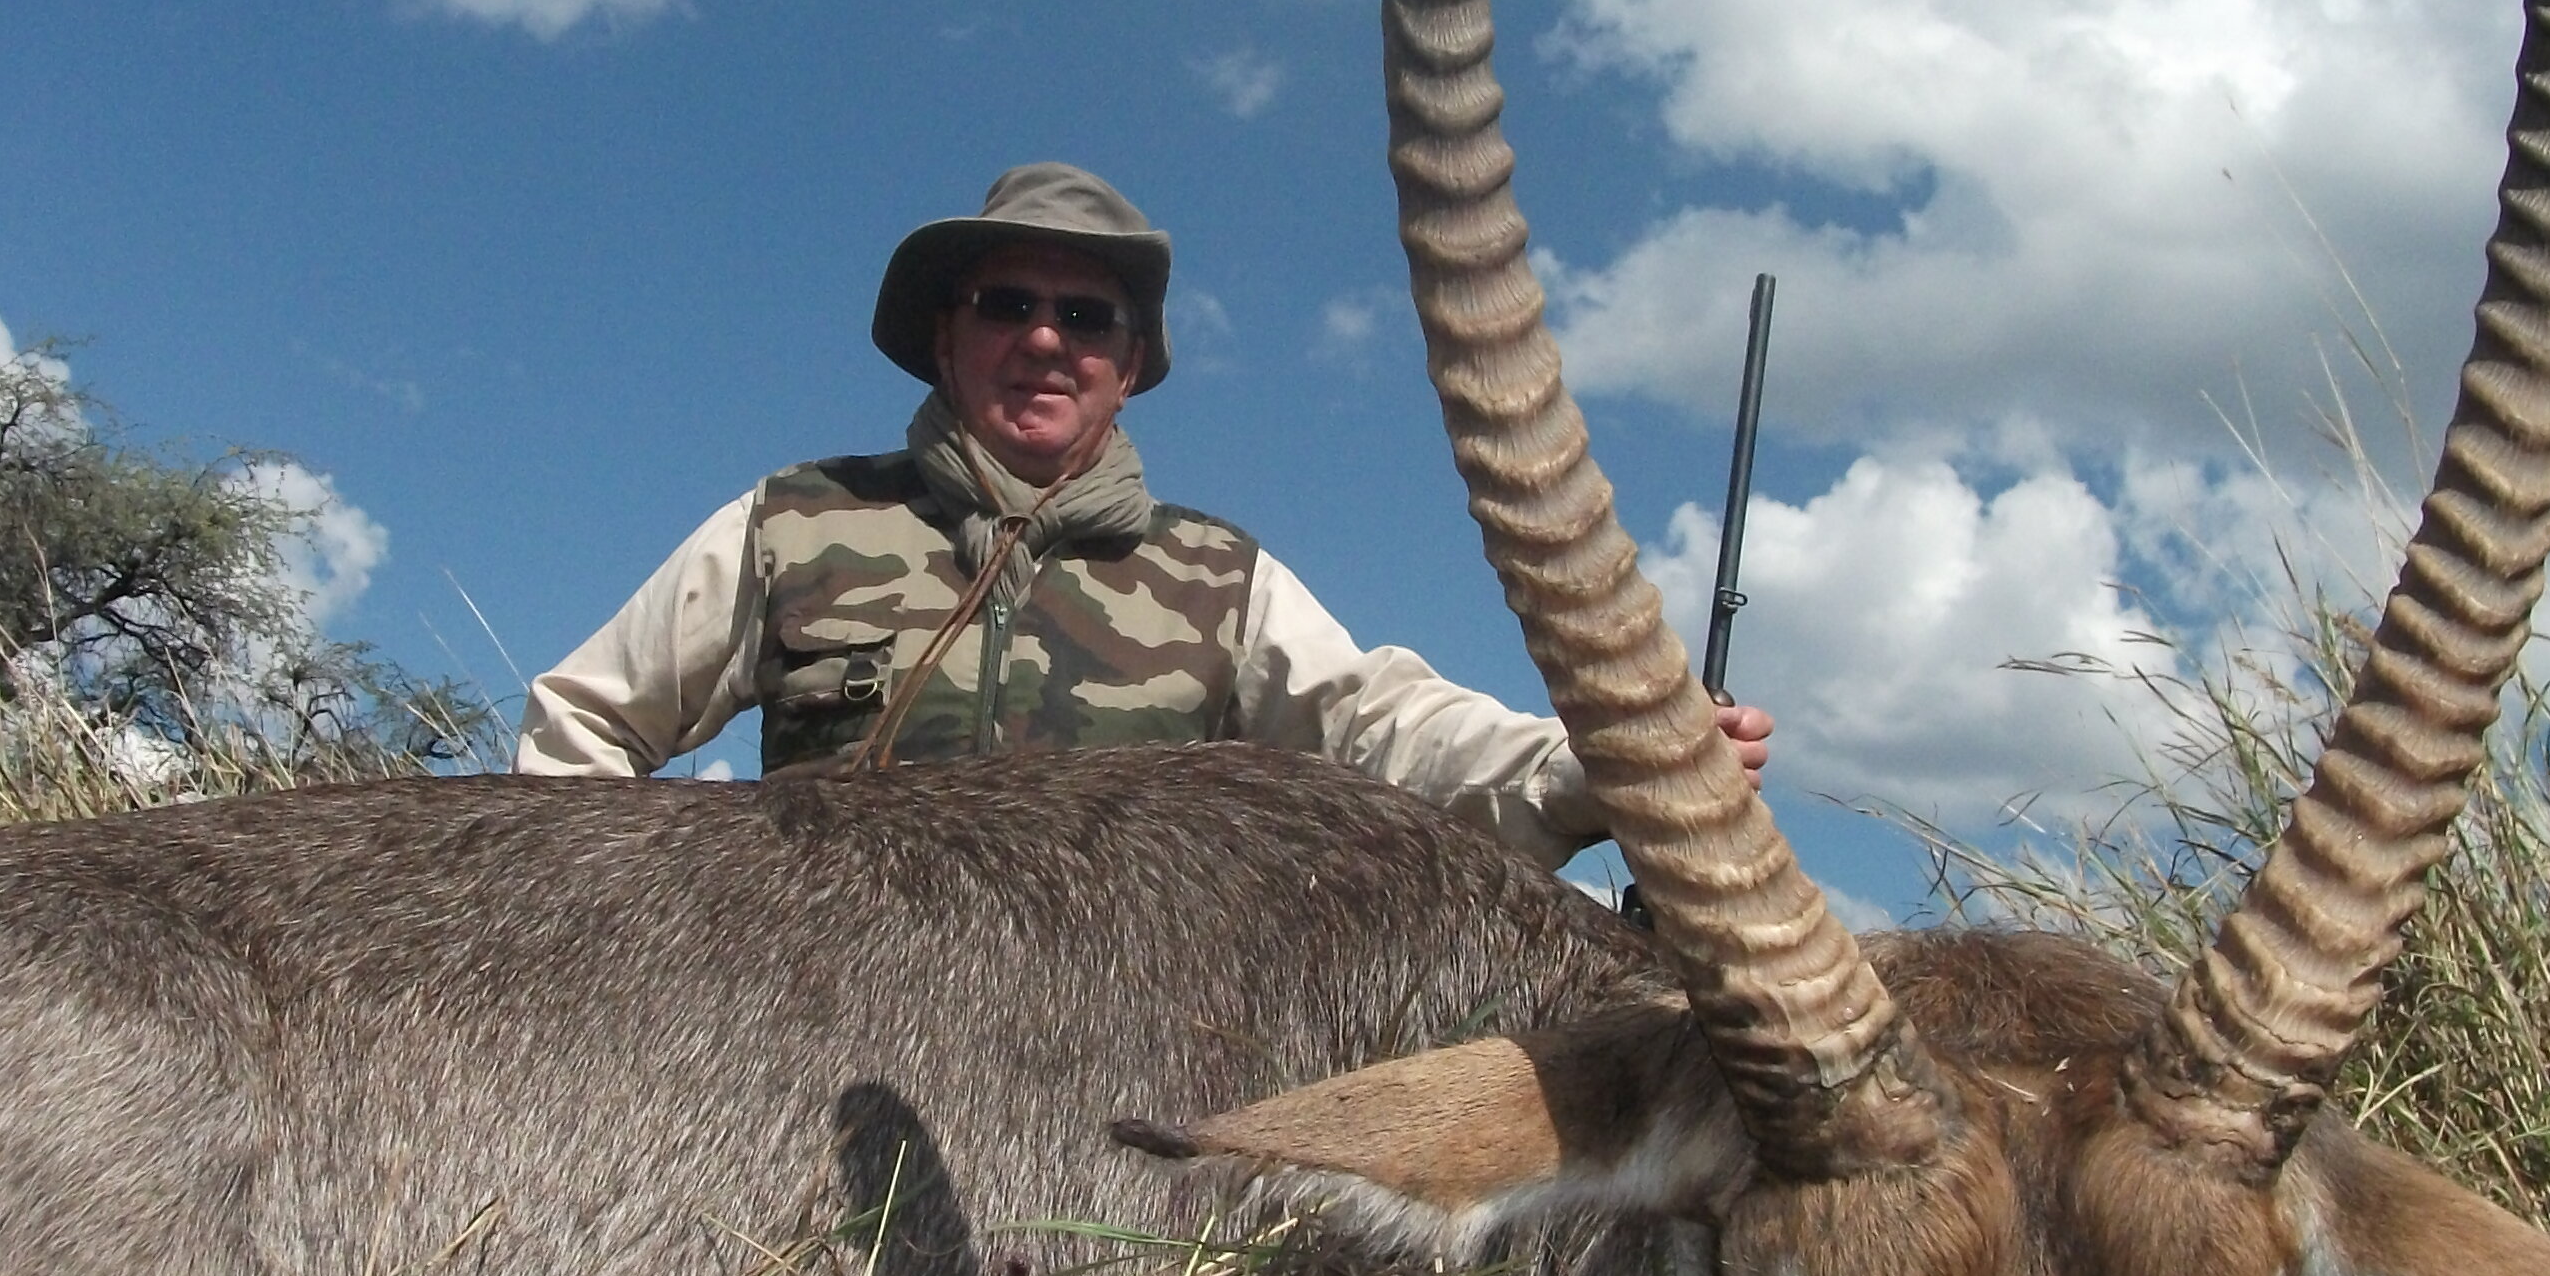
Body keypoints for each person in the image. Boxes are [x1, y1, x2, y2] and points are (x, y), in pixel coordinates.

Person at [512, 163, 1773, 869]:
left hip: (1115, 1065)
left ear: (1128, 364)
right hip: (806, 1036)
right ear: (945, 341)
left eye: (1089, 317)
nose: (1046, 340)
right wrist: (627, 953)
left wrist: (1599, 760)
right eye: (1005, 304)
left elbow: (1386, 731)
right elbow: (581, 725)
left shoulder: (1217, 576)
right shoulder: (795, 521)